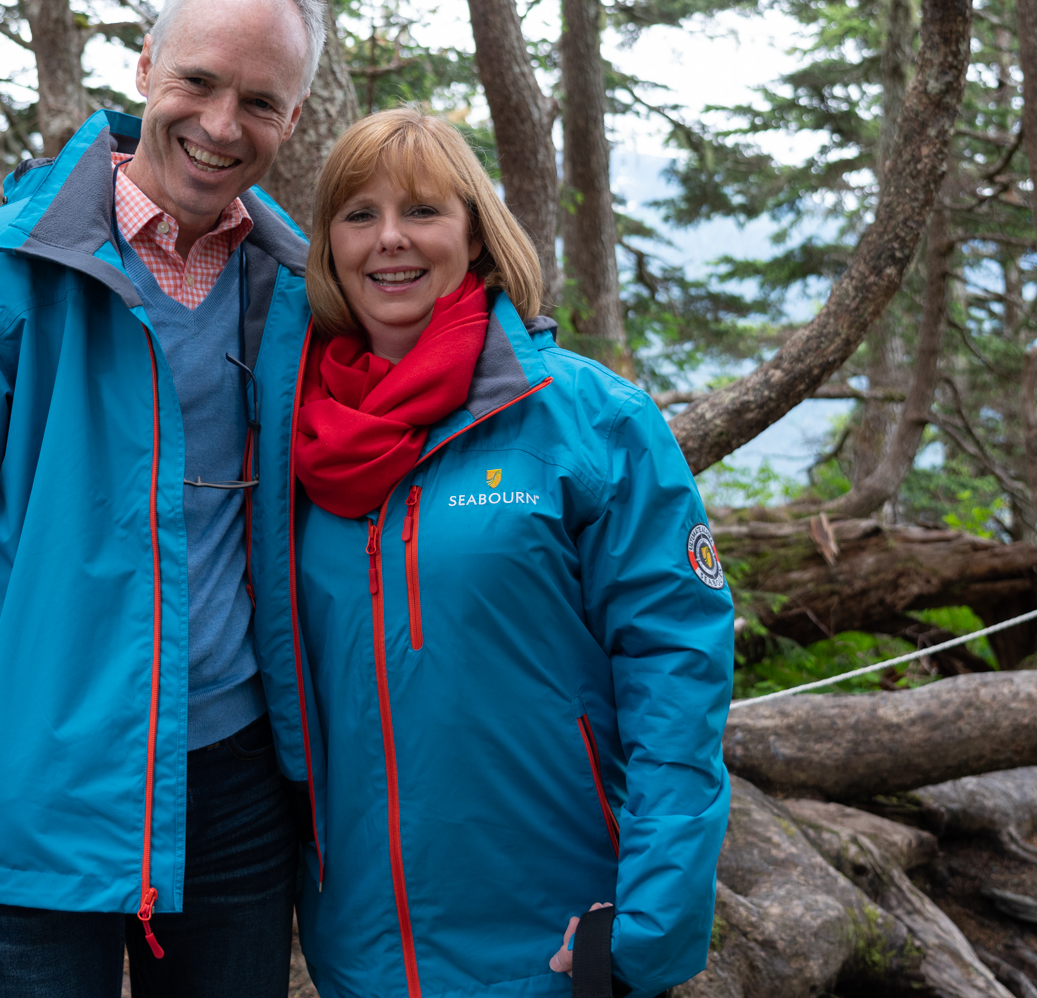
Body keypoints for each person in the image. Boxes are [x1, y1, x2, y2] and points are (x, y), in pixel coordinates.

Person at [0, 0, 326, 998]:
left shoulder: (297, 293)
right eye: (198, 81)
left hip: (238, 798)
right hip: (36, 789)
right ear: (146, 66)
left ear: (295, 117)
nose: (222, 124)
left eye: (261, 100)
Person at [258, 108, 733, 997]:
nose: (390, 239)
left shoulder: (593, 421)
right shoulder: (291, 438)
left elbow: (679, 674)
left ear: (474, 232)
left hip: (557, 943)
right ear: (326, 246)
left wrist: (653, 917)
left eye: (423, 211)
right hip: (362, 949)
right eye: (358, 214)